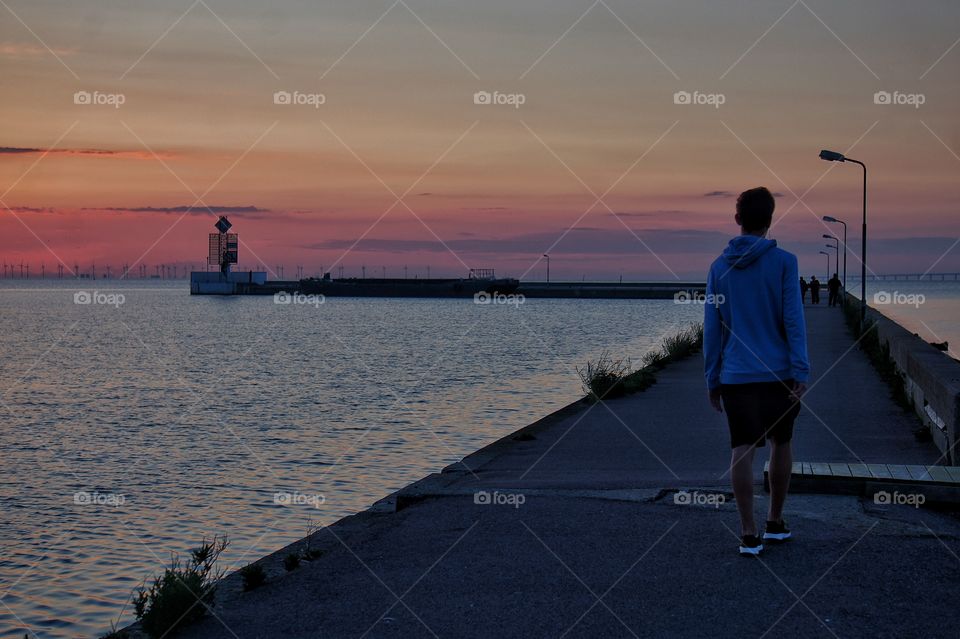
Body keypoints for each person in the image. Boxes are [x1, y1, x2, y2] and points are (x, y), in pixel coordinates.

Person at [704, 186, 809, 556]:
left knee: (741, 448)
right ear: (770, 220)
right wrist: (801, 368)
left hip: (736, 375)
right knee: (782, 442)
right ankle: (775, 522)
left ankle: (748, 533)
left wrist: (712, 378)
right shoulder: (785, 263)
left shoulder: (719, 268)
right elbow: (793, 320)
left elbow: (713, 328)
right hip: (779, 373)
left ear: (738, 220)